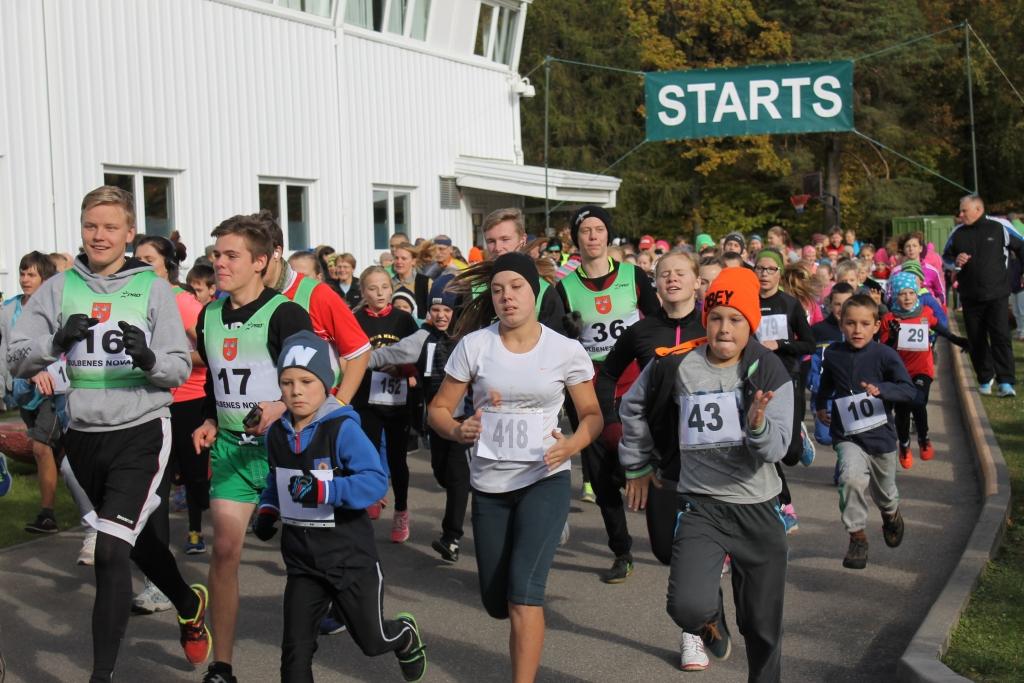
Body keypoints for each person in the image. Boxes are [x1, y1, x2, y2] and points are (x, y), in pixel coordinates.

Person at [6, 186, 211, 680]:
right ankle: (187, 601)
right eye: (91, 226)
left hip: (141, 430)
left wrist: (147, 359)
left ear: (128, 233)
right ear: (81, 228)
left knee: (110, 547)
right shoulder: (57, 288)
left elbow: (179, 368)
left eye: (110, 227)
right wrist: (54, 342)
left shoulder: (153, 288)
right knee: (134, 541)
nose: (99, 236)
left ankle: (102, 674)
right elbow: (14, 357)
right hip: (82, 434)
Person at [428, 253, 601, 683]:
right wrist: (456, 428)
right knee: (495, 599)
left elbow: (593, 416)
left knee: (525, 594)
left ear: (535, 291)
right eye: (499, 289)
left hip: (545, 477)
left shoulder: (564, 350)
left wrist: (572, 447)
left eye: (517, 287)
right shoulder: (475, 345)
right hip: (490, 484)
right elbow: (439, 409)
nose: (507, 297)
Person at [619, 266, 793, 679]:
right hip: (702, 507)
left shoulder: (769, 371)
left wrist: (756, 426)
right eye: (716, 318)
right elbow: (633, 406)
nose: (724, 329)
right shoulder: (676, 365)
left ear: (751, 324)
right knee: (685, 606)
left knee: (762, 627)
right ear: (705, 319)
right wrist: (638, 463)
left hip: (758, 508)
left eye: (736, 320)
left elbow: (777, 447)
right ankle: (710, 623)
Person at [252, 331, 426, 682]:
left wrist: (324, 489)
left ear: (326, 383)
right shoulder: (276, 433)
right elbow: (277, 479)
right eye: (287, 382)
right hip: (303, 563)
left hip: (350, 560)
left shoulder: (341, 428)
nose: (296, 390)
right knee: (294, 657)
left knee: (373, 642)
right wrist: (268, 509)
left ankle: (404, 635)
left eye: (306, 381)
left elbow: (375, 482)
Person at [191, 214, 315, 683]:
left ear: (260, 262)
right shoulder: (209, 315)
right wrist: (208, 418)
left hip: (283, 452)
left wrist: (282, 404)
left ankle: (332, 640)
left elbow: (324, 379)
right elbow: (214, 384)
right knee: (223, 550)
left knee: (305, 560)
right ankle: (222, 666)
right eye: (216, 255)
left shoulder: (284, 313)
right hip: (231, 451)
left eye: (230, 256)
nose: (219, 263)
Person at [555, 205, 659, 583]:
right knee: (599, 476)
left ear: (608, 235)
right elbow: (560, 343)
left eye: (599, 229)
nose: (593, 236)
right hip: (590, 381)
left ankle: (664, 534)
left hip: (633, 377)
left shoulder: (634, 277)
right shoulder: (564, 288)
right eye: (586, 230)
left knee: (645, 457)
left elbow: (657, 324)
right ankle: (622, 550)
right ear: (577, 238)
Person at [598, 251, 705, 571]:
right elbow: (606, 375)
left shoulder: (713, 324)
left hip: (707, 447)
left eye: (680, 273)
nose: (672, 278)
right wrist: (611, 422)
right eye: (664, 274)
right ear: (655, 283)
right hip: (659, 451)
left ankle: (703, 613)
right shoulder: (640, 331)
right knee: (665, 550)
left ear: (697, 281)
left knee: (702, 548)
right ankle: (623, 551)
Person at [366, 275, 468, 561]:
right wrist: (355, 360)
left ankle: (452, 537)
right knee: (442, 473)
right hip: (436, 420)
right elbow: (390, 353)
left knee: (459, 477)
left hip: (464, 419)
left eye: (447, 310)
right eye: (436, 309)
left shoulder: (469, 337)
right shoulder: (422, 337)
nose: (441, 315)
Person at [816, 294, 917, 570]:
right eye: (850, 323)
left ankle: (890, 513)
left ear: (876, 326)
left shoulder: (885, 354)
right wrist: (821, 404)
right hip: (848, 436)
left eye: (864, 324)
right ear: (841, 324)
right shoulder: (834, 353)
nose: (857, 330)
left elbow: (909, 390)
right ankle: (857, 537)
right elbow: (826, 382)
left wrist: (882, 390)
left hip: (881, 438)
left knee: (885, 493)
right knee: (849, 479)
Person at [257, 214, 372, 407]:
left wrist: (338, 404)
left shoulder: (317, 294)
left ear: (276, 252)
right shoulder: (241, 295)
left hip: (313, 417)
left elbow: (359, 351)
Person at [351, 266, 420, 539]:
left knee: (397, 458)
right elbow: (348, 357)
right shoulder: (355, 320)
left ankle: (401, 511)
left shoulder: (404, 320)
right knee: (365, 455)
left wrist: (401, 369)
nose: (379, 293)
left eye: (384, 288)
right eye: (372, 288)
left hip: (397, 400)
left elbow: (418, 355)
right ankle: (371, 497)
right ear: (363, 292)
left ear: (392, 289)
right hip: (365, 400)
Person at [0, 251, 65, 533]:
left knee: (41, 446)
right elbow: (5, 349)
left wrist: (45, 370)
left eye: (32, 274)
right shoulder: (8, 309)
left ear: (45, 279)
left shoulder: (55, 310)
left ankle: (47, 513)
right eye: (23, 273)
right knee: (57, 453)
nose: (25, 279)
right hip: (23, 391)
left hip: (53, 390)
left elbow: (62, 347)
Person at [754, 249, 815, 531]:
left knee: (790, 454)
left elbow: (809, 344)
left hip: (787, 378)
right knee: (768, 448)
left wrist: (781, 345)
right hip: (756, 381)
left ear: (780, 273)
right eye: (760, 269)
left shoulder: (789, 305)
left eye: (770, 269)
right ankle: (784, 504)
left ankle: (798, 435)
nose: (764, 275)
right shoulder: (747, 304)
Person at [880, 273, 969, 469]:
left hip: (922, 369)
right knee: (902, 411)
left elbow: (940, 329)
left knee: (918, 401)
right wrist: (893, 335)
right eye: (903, 294)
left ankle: (924, 436)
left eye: (911, 293)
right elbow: (884, 348)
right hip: (898, 372)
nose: (908, 297)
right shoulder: (888, 319)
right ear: (895, 296)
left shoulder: (925, 312)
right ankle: (904, 444)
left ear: (917, 294)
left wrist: (958, 340)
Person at [943, 195, 1024, 396]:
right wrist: (956, 262)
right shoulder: (957, 232)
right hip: (969, 295)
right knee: (976, 339)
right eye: (960, 211)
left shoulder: (1000, 226)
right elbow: (946, 257)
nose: (960, 214)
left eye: (964, 210)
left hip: (997, 293)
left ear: (978, 209)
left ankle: (1006, 382)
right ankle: (985, 378)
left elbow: (1022, 246)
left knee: (1001, 337)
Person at [481, 208, 567, 332]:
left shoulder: (544, 291)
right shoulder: (474, 289)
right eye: (491, 241)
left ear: (523, 239)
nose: (498, 248)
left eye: (505, 239)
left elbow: (556, 344)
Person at [392, 242, 432, 319]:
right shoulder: (389, 284)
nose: (399, 262)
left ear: (413, 261)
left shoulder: (426, 283)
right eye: (396, 258)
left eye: (404, 258)